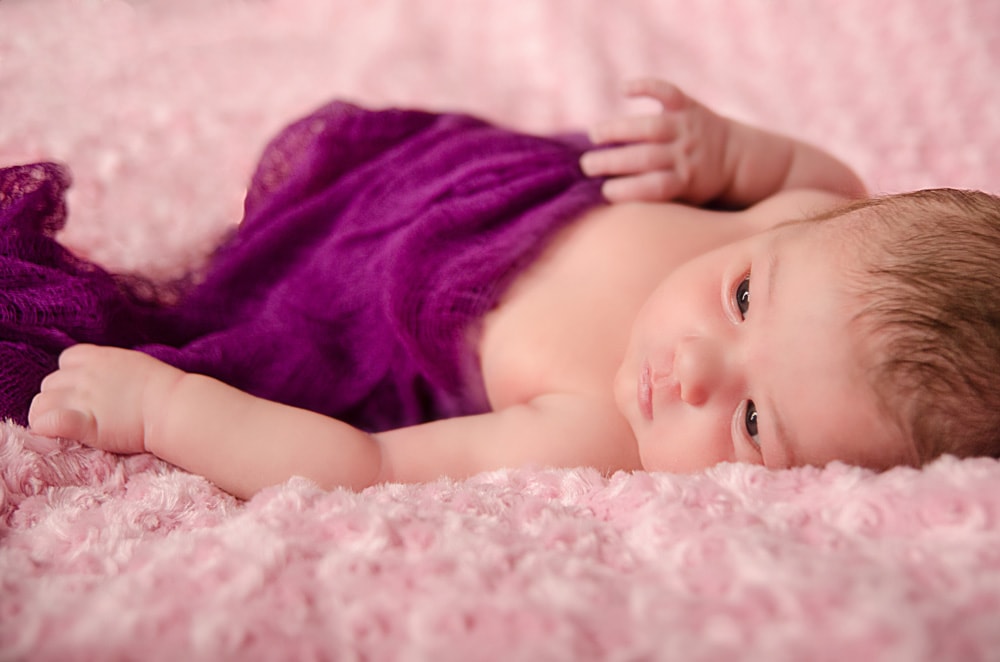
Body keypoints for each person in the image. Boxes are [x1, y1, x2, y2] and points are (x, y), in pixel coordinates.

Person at [22, 79, 1000, 499]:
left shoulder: (597, 435)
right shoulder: (800, 222)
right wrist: (725, 149)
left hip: (364, 301)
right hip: (461, 186)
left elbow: (361, 465)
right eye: (744, 299)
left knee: (270, 293)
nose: (694, 365)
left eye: (751, 422)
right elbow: (831, 180)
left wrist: (166, 406)